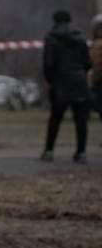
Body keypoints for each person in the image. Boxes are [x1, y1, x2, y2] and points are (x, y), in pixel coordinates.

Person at [41, 10, 92, 163]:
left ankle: (49, 151)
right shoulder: (80, 38)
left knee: (55, 118)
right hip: (79, 82)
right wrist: (81, 74)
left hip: (60, 83)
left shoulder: (51, 39)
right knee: (81, 119)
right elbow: (88, 62)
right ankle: (81, 152)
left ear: (55, 21)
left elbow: (48, 64)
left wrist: (50, 80)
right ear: (70, 21)